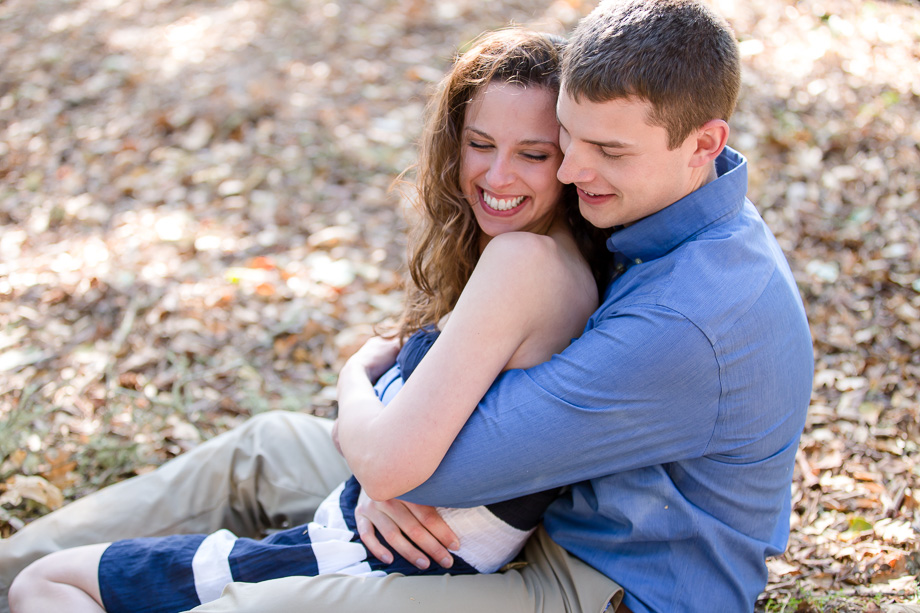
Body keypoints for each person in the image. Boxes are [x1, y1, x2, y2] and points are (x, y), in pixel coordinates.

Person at [1, 1, 815, 612]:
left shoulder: (688, 316)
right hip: (510, 507)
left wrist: (365, 387)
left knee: (243, 602)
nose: (566, 171)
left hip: (600, 581)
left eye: (602, 151)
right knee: (264, 446)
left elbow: (404, 463)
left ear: (705, 142)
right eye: (567, 139)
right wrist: (385, 447)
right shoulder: (654, 210)